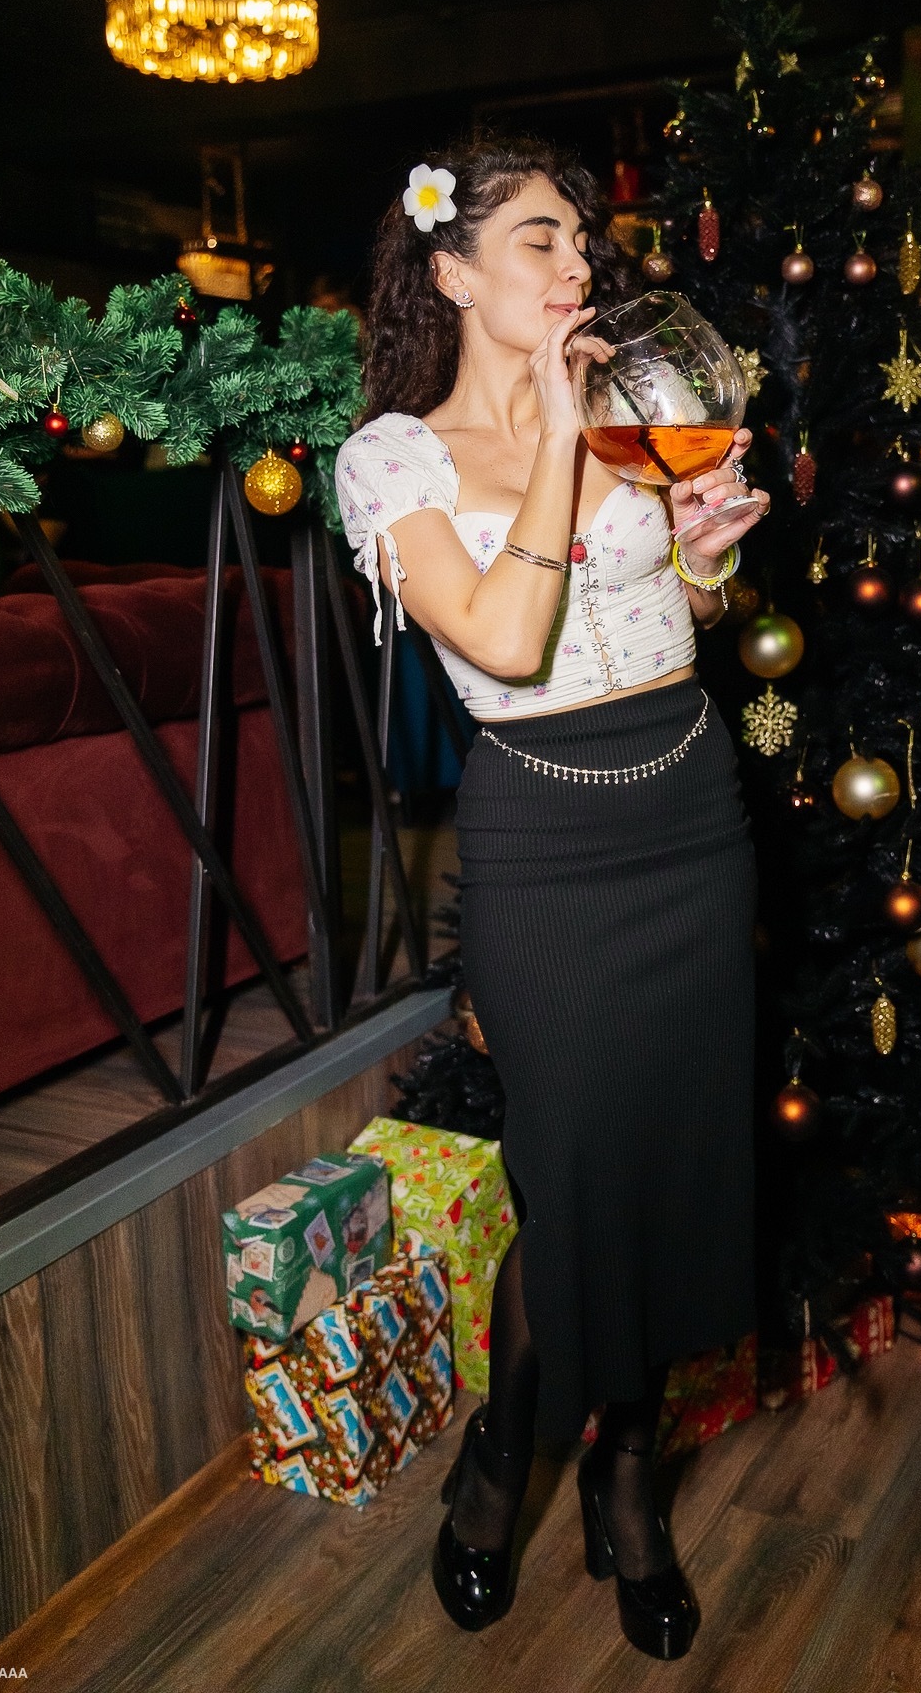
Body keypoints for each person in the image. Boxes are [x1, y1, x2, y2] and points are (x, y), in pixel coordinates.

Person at [335, 138, 767, 1661]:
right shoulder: (393, 459)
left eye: (582, 238)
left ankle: (627, 1484)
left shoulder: (626, 404)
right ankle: (500, 1460)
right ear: (453, 271)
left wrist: (705, 563)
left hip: (689, 812)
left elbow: (677, 615)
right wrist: (566, 449)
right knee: (575, 1182)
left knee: (671, 1168)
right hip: (546, 840)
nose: (579, 262)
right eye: (540, 239)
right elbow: (508, 646)